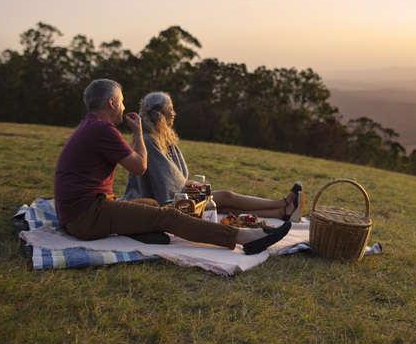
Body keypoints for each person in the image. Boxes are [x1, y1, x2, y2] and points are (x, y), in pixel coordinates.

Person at [53, 79, 291, 255]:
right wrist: (137, 133)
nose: (124, 108)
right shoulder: (103, 129)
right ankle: (243, 237)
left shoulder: (90, 126)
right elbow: (139, 167)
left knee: (150, 206)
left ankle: (145, 230)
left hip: (79, 214)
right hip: (86, 216)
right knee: (168, 215)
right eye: (122, 102)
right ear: (111, 102)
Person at [121, 91, 305, 222]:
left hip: (170, 198)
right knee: (226, 195)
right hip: (161, 206)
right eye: (170, 108)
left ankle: (282, 212)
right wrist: (192, 187)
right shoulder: (148, 141)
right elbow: (168, 186)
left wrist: (192, 184)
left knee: (221, 206)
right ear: (159, 113)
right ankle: (283, 202)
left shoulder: (160, 138)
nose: (174, 113)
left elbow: (169, 178)